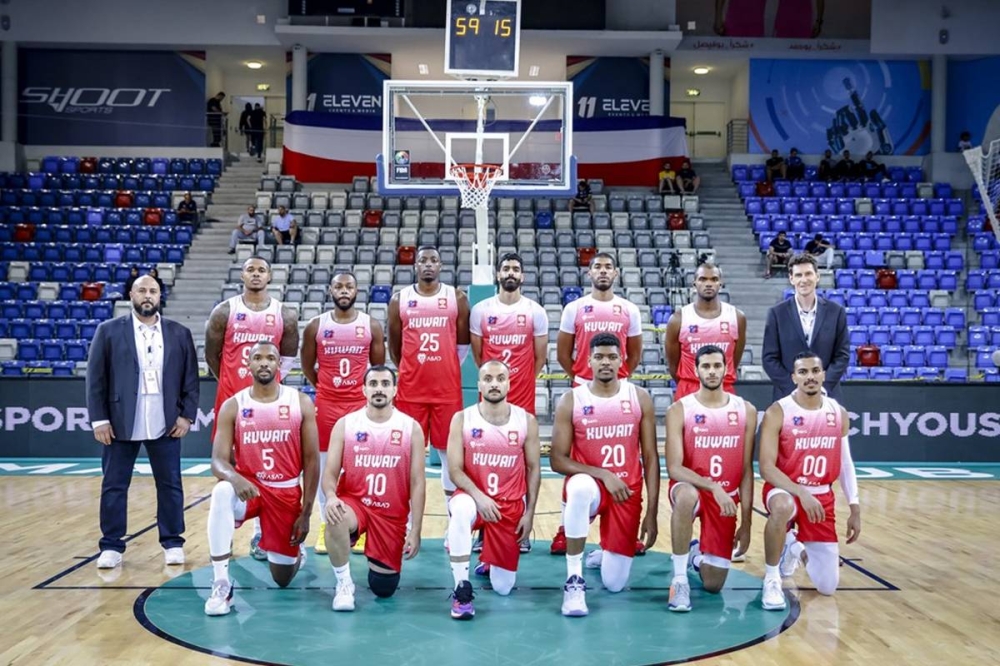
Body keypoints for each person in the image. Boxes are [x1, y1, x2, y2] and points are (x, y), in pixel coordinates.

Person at [86, 275, 199, 569]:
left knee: (170, 484)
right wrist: (99, 419)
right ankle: (111, 545)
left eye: (153, 291)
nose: (147, 295)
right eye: (142, 290)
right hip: (120, 422)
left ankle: (173, 542)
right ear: (131, 295)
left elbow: (190, 379)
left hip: (166, 422)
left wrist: (186, 415)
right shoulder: (108, 331)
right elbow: (96, 379)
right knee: (114, 485)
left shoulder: (179, 333)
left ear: (160, 296)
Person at [203, 341, 320, 616]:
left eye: (270, 358)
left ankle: (295, 554)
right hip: (250, 489)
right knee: (222, 491)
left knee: (282, 579)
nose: (264, 362)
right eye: (257, 357)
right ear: (248, 364)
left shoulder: (300, 402)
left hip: (285, 492)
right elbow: (218, 461)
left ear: (280, 364)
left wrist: (306, 513)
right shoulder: (233, 405)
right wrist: (234, 478)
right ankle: (221, 583)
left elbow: (312, 461)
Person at [550, 334, 660, 617]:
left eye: (612, 357)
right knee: (579, 487)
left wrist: (652, 512)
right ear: (588, 361)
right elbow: (557, 459)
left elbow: (650, 457)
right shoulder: (572, 400)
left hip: (626, 490)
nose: (606, 362)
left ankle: (604, 553)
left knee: (614, 584)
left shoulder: (639, 397)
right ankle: (574, 579)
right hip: (592, 487)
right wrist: (603, 474)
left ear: (622, 360)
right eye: (599, 357)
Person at [205, 256, 299, 559]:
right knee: (227, 467)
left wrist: (265, 385)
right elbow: (212, 357)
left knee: (268, 468)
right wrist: (232, 383)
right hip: (232, 402)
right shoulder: (224, 311)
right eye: (250, 269)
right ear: (242, 275)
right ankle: (225, 529)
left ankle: (261, 534)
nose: (256, 274)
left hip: (267, 405)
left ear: (270, 276)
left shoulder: (284, 314)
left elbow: (287, 358)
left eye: (261, 270)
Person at [553, 251, 643, 555]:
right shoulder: (575, 308)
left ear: (616, 273)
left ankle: (626, 528)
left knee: (626, 458)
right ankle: (565, 530)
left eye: (608, 267)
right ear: (589, 273)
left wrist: (618, 378)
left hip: (618, 389)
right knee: (574, 461)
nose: (603, 271)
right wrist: (582, 377)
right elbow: (563, 352)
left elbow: (634, 353)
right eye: (597, 267)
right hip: (583, 387)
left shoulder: (629, 309)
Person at [757, 351, 861, 611]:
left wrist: (855, 507)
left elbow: (846, 463)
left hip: (822, 495)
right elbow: (767, 468)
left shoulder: (838, 412)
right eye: (803, 372)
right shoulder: (778, 411)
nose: (810, 377)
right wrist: (801, 493)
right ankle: (772, 579)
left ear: (823, 375)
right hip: (785, 489)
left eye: (815, 371)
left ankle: (794, 547)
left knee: (827, 586)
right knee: (782, 507)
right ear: (794, 377)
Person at [322, 366, 426, 611]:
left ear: (395, 390)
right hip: (355, 504)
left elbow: (417, 482)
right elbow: (330, 474)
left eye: (385, 384)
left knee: (383, 587)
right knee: (335, 516)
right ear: (364, 389)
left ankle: (372, 551)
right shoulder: (346, 424)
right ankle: (344, 583)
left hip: (391, 513)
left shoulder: (411, 428)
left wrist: (416, 530)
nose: (379, 389)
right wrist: (331, 496)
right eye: (374, 384)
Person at [444, 361, 542, 619]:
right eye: (488, 379)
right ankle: (461, 589)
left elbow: (534, 468)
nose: (494, 384)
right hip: (474, 499)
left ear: (509, 384)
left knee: (503, 587)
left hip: (508, 506)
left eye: (500, 378)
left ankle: (489, 558)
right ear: (479, 385)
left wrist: (530, 513)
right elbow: (454, 470)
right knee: (461, 508)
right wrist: (480, 497)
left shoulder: (526, 421)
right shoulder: (462, 418)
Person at [664, 345, 757, 612]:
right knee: (686, 496)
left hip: (726, 498)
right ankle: (679, 580)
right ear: (696, 371)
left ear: (727, 368)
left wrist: (747, 523)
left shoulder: (746, 410)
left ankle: (695, 556)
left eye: (717, 365)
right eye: (706, 366)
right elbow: (674, 468)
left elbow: (746, 470)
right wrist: (712, 486)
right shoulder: (680, 409)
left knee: (713, 584)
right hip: (692, 487)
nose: (712, 371)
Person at [300, 271, 386, 555]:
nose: (344, 290)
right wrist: (326, 387)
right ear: (330, 290)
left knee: (361, 467)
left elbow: (376, 369)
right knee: (327, 468)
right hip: (327, 406)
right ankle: (327, 524)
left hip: (359, 406)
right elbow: (307, 365)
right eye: (339, 286)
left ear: (357, 291)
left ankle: (359, 526)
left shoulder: (370, 325)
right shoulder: (316, 326)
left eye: (349, 286)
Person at [388, 246, 470, 496]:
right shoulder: (399, 299)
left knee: (449, 454)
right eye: (423, 260)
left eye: (433, 260)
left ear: (440, 265)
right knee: (407, 453)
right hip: (411, 390)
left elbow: (462, 345)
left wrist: (443, 366)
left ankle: (452, 514)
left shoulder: (456, 297)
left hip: (446, 390)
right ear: (415, 265)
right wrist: (412, 368)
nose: (428, 264)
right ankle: (405, 515)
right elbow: (395, 347)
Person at [762, 253, 850, 401]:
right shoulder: (777, 314)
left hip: (827, 397)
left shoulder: (836, 312)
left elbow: (842, 355)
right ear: (791, 279)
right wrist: (795, 388)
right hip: (787, 398)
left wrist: (821, 386)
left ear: (817, 276)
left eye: (808, 274)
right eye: (798, 275)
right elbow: (769, 359)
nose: (804, 280)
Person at [470, 252, 548, 415]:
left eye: (515, 269)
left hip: (523, 392)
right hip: (491, 390)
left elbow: (540, 358)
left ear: (522, 276)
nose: (511, 273)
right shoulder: (480, 310)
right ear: (498, 275)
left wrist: (525, 378)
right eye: (506, 269)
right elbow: (478, 356)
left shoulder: (536, 311)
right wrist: (493, 376)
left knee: (524, 431)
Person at [664, 262, 747, 399]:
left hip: (723, 388)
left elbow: (733, 361)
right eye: (703, 279)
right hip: (689, 388)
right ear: (694, 283)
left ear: (720, 284)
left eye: (714, 279)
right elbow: (673, 366)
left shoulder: (737, 318)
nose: (708, 284)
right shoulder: (678, 319)